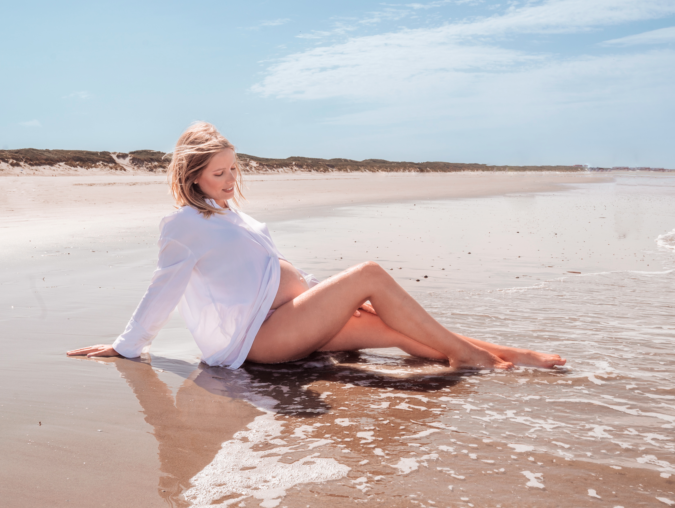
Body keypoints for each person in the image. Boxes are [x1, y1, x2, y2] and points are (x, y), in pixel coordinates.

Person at [67, 122, 566, 371]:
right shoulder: (183, 225)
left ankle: (505, 357)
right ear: (191, 175)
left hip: (286, 318)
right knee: (369, 275)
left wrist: (310, 291)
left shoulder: (227, 214)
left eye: (234, 169)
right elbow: (164, 288)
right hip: (259, 339)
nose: (229, 179)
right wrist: (127, 347)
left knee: (386, 325)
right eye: (218, 173)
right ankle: (469, 357)